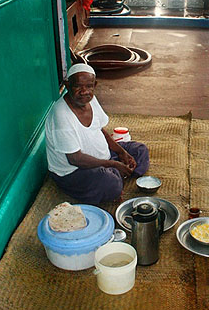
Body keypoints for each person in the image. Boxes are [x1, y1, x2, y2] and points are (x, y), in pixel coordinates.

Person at [45, 64, 149, 205]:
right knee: (110, 183)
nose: (84, 92)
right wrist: (113, 164)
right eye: (78, 86)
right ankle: (117, 177)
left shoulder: (90, 100)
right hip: (74, 171)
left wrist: (121, 151)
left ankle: (119, 175)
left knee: (140, 150)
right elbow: (75, 159)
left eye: (89, 86)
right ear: (67, 85)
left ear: (95, 85)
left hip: (103, 158)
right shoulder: (61, 114)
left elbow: (100, 130)